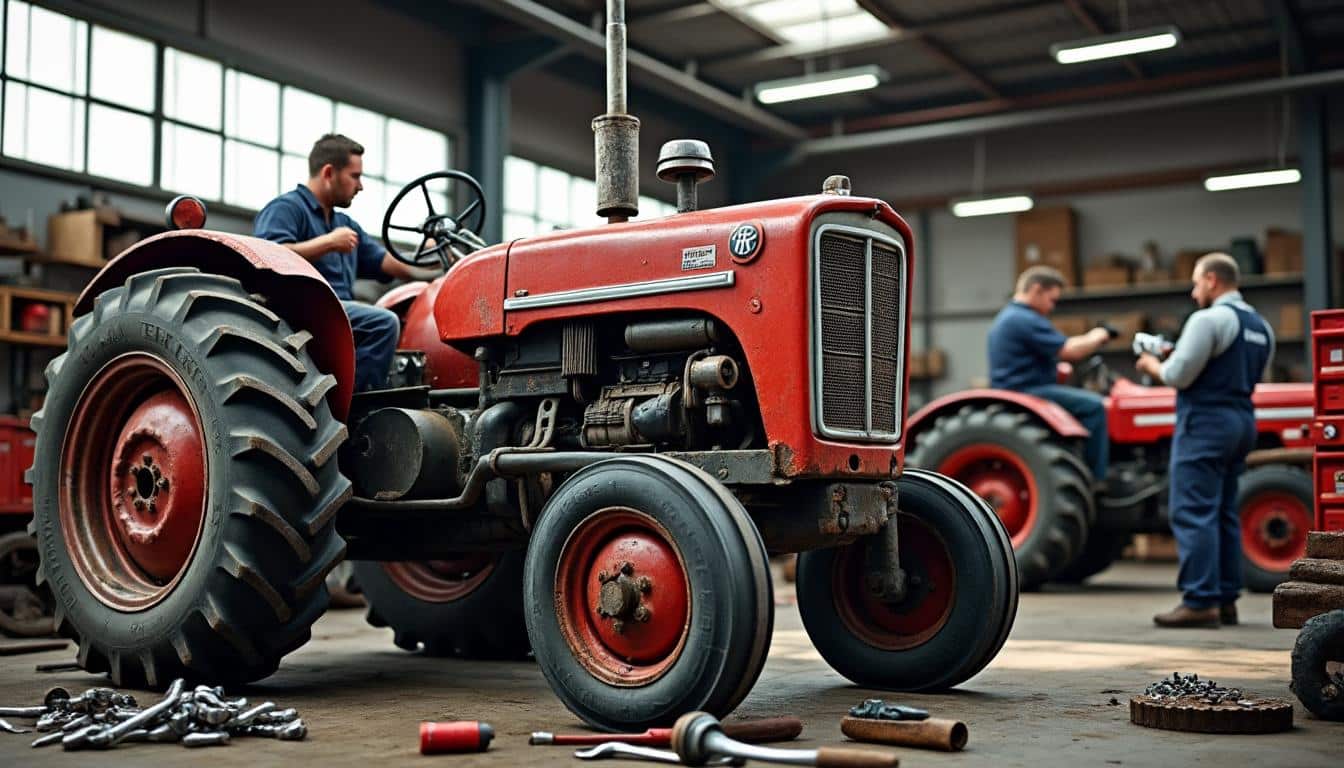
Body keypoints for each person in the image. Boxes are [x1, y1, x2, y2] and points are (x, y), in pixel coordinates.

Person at [1137, 253, 1274, 628]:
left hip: (1206, 423)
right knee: (1224, 511)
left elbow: (1178, 375)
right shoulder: (1260, 325)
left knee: (1193, 511)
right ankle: (1226, 598)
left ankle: (1199, 601)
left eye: (1197, 282)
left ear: (1212, 280)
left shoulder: (1208, 318)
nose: (1194, 290)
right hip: (1242, 420)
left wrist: (1152, 365)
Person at [254, 133, 431, 391]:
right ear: (329, 173)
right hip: (301, 311)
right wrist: (328, 243)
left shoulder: (344, 225)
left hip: (339, 313)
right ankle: (361, 409)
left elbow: (388, 262)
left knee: (399, 319)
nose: (360, 186)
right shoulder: (286, 209)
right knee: (383, 323)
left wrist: (424, 255)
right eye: (355, 176)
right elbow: (267, 255)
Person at [987, 266, 1113, 484]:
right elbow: (1071, 350)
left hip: (1021, 387)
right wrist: (1099, 334)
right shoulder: (1023, 319)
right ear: (1036, 290)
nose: (1052, 307)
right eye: (1052, 300)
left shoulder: (1010, 317)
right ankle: (1096, 479)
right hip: (1027, 391)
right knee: (1095, 406)